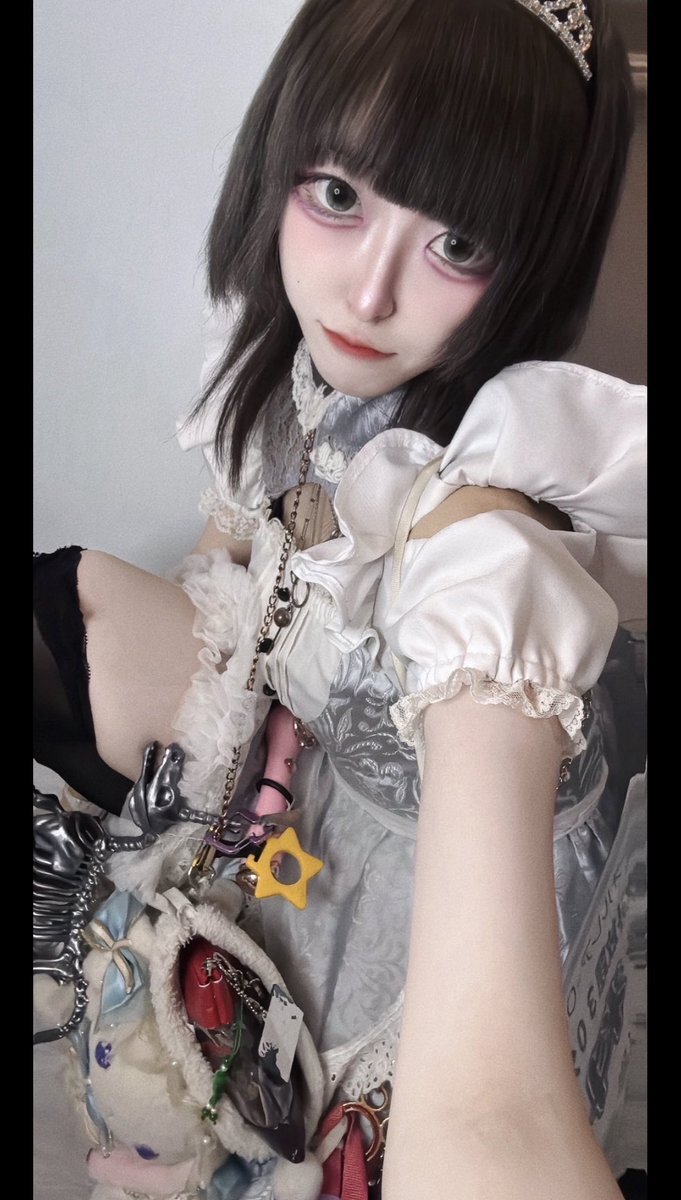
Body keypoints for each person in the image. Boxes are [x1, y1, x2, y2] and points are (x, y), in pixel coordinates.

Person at [33, 1, 647, 1198]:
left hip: (413, 898)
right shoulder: (291, 371)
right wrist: (202, 802)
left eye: (457, 243)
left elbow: (493, 1119)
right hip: (288, 750)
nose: (366, 295)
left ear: (534, 259)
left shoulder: (486, 554)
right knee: (67, 601)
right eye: (337, 194)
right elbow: (224, 575)